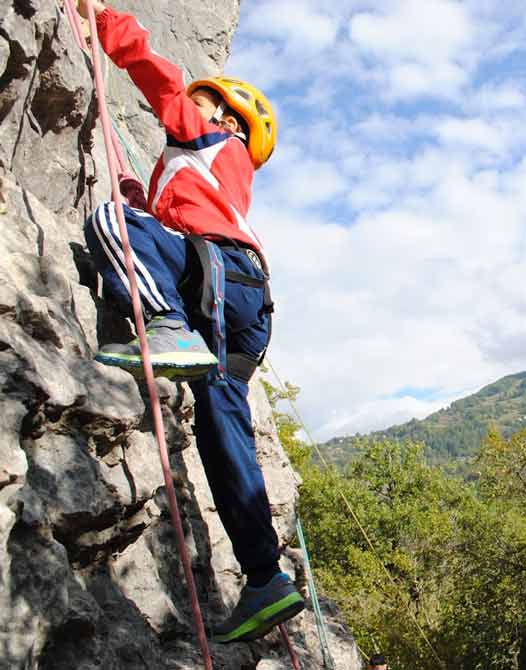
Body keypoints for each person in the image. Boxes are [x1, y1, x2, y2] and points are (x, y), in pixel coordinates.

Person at [75, 0, 304, 643]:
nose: (192, 112)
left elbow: (161, 81)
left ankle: (166, 325)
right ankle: (265, 576)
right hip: (243, 302)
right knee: (220, 424)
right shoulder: (219, 179)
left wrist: (105, 20)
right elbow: (185, 224)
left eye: (207, 107)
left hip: (219, 280)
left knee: (110, 222)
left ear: (229, 120)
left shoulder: (211, 139)